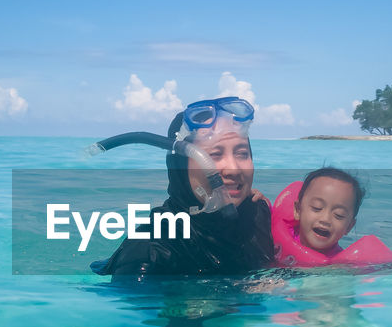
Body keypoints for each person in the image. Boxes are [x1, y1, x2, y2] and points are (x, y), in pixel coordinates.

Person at [94, 96, 275, 278]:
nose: (233, 169)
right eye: (214, 154)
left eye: (242, 153)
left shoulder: (257, 216)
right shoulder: (150, 252)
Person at [291, 167, 363, 257]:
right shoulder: (279, 233)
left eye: (338, 215)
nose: (325, 219)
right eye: (317, 207)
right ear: (298, 210)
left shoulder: (338, 265)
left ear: (349, 227)